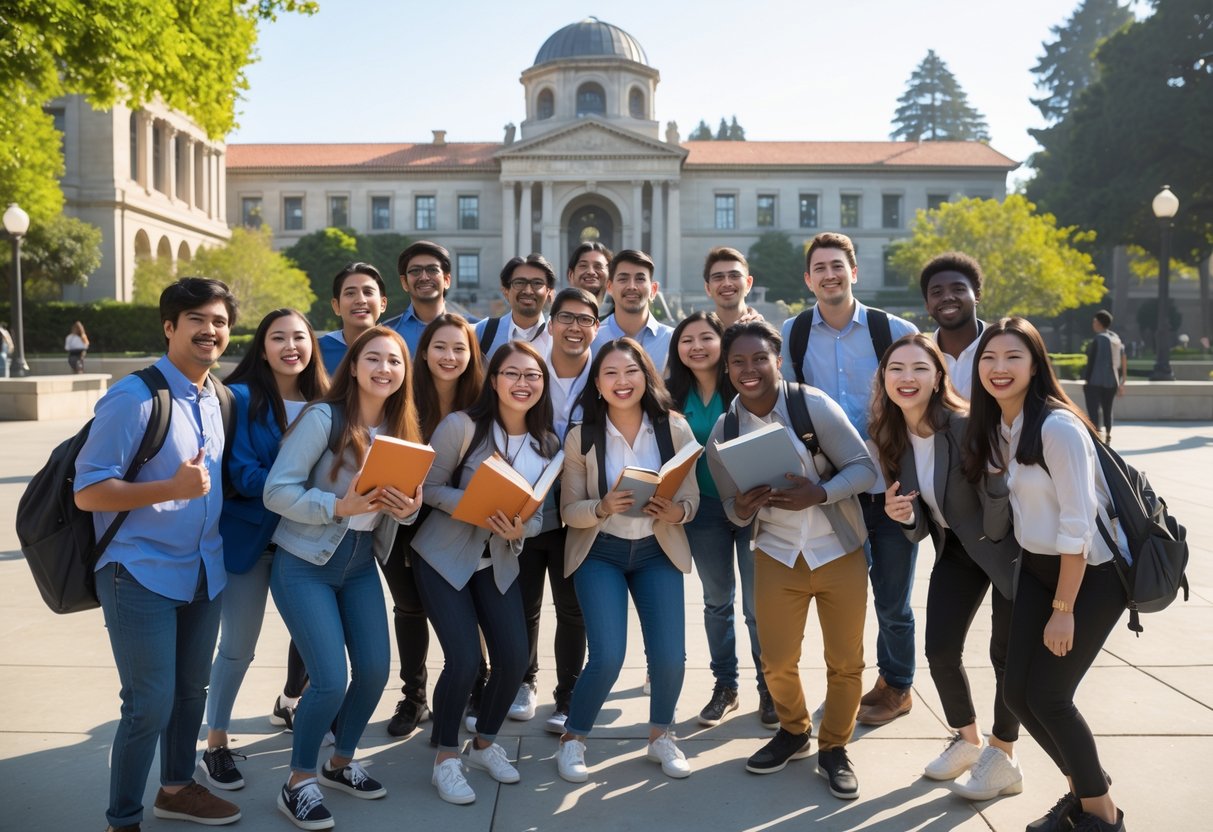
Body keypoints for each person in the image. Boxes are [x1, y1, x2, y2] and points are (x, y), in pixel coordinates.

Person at [75, 277, 242, 831]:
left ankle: (176, 788)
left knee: (192, 691)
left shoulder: (219, 397)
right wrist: (169, 489)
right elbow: (88, 491)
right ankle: (122, 818)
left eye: (219, 321)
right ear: (169, 327)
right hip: (137, 572)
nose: (210, 330)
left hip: (204, 570)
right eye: (196, 319)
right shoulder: (132, 397)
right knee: (148, 703)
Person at [964, 316, 1128, 832]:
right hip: (1035, 567)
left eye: (1013, 357)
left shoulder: (1057, 427)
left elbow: (1078, 527)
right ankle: (1086, 791)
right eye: (989, 358)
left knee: (1050, 698)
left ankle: (1102, 817)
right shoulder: (1002, 426)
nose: (999, 368)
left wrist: (1064, 611)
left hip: (1089, 576)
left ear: (1036, 365)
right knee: (1017, 695)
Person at [264, 325, 424, 830]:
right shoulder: (323, 418)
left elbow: (395, 511)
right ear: (352, 366)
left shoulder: (403, 430)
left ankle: (340, 762)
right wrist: (338, 505)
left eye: (395, 361)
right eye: (373, 359)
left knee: (375, 672)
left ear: (404, 373)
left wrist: (410, 507)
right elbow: (276, 491)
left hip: (358, 564)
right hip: (304, 562)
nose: (384, 369)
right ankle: (298, 782)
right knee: (330, 680)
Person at [707, 321, 875, 801]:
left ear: (776, 360)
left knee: (845, 661)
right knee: (776, 660)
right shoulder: (725, 430)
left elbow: (864, 469)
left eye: (759, 358)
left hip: (837, 549)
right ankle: (794, 730)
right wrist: (744, 505)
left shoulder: (811, 405)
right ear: (727, 368)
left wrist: (819, 493)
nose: (749, 369)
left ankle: (835, 747)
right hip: (778, 554)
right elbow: (730, 511)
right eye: (737, 361)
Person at [869, 333, 1024, 799]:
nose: (907, 378)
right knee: (939, 648)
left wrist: (995, 502)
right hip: (957, 548)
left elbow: (999, 501)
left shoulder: (962, 426)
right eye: (896, 369)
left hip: (1007, 549)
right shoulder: (889, 434)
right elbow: (921, 521)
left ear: (939, 377)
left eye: (919, 368)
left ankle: (1004, 755)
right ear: (884, 378)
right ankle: (969, 739)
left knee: (1006, 656)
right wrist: (906, 516)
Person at [410, 341, 560, 805]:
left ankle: (484, 744)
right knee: (465, 660)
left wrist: (521, 526)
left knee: (515, 660)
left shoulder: (548, 442)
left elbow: (540, 515)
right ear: (493, 380)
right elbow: (428, 488)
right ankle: (446, 759)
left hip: (499, 560)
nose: (522, 383)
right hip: (443, 555)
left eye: (532, 375)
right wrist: (475, 507)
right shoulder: (462, 427)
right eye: (512, 374)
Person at [779, 231, 919, 726]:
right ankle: (855, 684)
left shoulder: (893, 329)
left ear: (853, 272)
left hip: (893, 488)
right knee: (846, 600)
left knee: (894, 598)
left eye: (837, 266)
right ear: (808, 278)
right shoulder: (793, 333)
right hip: (834, 493)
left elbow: (922, 395)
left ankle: (898, 684)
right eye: (819, 268)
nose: (829, 275)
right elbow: (789, 404)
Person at [556, 337, 700, 783]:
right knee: (608, 655)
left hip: (657, 550)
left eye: (631, 371)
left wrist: (676, 511)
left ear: (646, 376)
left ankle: (661, 736)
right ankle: (573, 740)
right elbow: (568, 510)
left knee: (670, 657)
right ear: (597, 384)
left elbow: (691, 495)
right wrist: (602, 507)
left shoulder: (673, 428)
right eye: (611, 374)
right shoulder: (583, 436)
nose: (622, 381)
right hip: (602, 552)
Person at [202, 308, 329, 791]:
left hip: (309, 543)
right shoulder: (240, 398)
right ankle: (215, 743)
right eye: (279, 338)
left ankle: (309, 723)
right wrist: (299, 484)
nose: (291, 346)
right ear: (263, 346)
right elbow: (239, 473)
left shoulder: (328, 400)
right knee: (237, 648)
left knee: (323, 651)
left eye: (300, 336)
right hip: (253, 542)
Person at [381, 313, 485, 738]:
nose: (449, 356)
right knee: (409, 607)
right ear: (422, 353)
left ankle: (476, 684)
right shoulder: (400, 399)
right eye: (440, 347)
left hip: (461, 520)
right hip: (402, 519)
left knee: (469, 609)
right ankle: (414, 696)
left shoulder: (483, 402)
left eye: (460, 348)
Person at [667, 311, 771, 728]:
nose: (696, 346)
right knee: (717, 602)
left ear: (722, 344)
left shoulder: (746, 387)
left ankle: (770, 688)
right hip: (703, 511)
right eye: (687, 339)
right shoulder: (671, 395)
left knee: (757, 606)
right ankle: (725, 686)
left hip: (750, 505)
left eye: (706, 338)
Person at [511, 288, 598, 734]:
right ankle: (525, 682)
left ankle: (568, 694)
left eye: (585, 319)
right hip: (533, 505)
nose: (575, 327)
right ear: (552, 322)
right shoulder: (531, 370)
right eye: (566, 317)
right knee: (526, 604)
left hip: (581, 508)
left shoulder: (605, 374)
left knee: (573, 608)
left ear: (596, 328)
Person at [384, 241, 474, 356]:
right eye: (415, 271)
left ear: (447, 280)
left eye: (432, 270)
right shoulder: (389, 331)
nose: (424, 277)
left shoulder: (475, 329)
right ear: (404, 282)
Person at [591, 250, 674, 374]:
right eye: (623, 279)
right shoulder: (593, 339)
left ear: (653, 289)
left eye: (640, 279)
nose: (632, 286)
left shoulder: (671, 339)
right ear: (609, 287)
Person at [919, 252, 986, 401]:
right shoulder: (920, 355)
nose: (947, 297)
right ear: (927, 305)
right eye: (937, 292)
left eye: (958, 289)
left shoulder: (1002, 346)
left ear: (977, 296)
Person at [474, 254, 555, 359]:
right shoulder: (484, 331)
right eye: (520, 282)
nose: (528, 291)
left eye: (537, 283)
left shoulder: (558, 335)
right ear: (506, 291)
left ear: (548, 291)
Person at [318, 262, 389, 373]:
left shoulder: (396, 349)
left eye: (368, 292)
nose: (360, 300)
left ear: (383, 304)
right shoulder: (317, 351)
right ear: (336, 306)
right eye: (350, 293)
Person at [1082, 310, 1126, 445]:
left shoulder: (1098, 339)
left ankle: (1096, 435)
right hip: (1112, 381)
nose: (1093, 324)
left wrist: (1086, 379)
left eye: (1095, 321)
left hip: (1095, 381)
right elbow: (1122, 360)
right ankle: (1108, 434)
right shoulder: (1116, 339)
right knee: (1108, 408)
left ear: (1099, 323)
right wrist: (1122, 381)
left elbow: (1091, 361)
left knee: (1094, 410)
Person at [702, 247, 764, 328]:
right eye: (718, 277)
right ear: (708, 288)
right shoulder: (697, 335)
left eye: (734, 276)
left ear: (748, 284)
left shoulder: (766, 336)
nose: (727, 283)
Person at [566, 241, 612, 308]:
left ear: (610, 275)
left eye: (598, 266)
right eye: (583, 266)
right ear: (570, 275)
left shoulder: (621, 315)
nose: (591, 272)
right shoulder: (558, 315)